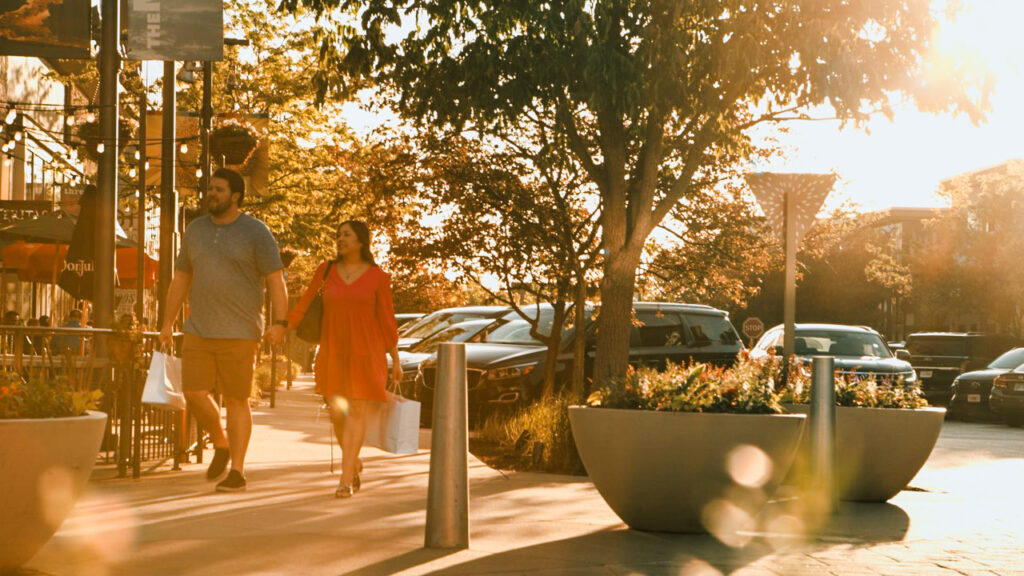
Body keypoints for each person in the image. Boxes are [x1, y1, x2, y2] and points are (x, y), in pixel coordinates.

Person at [158, 167, 289, 493]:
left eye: (218, 190)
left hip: (241, 331)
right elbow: (181, 279)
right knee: (193, 394)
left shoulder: (256, 232)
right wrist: (165, 323)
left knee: (236, 399)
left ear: (235, 195)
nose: (211, 194)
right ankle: (221, 442)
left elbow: (276, 280)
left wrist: (280, 323)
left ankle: (238, 471)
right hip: (198, 329)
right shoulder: (195, 230)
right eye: (210, 189)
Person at [285, 220, 401, 498]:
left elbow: (387, 319)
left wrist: (394, 359)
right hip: (333, 349)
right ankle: (354, 460)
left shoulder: (378, 277)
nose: (340, 239)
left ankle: (345, 478)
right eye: (338, 235)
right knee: (338, 412)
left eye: (346, 235)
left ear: (361, 240)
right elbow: (304, 303)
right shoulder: (326, 270)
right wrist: (283, 327)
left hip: (367, 351)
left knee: (357, 410)